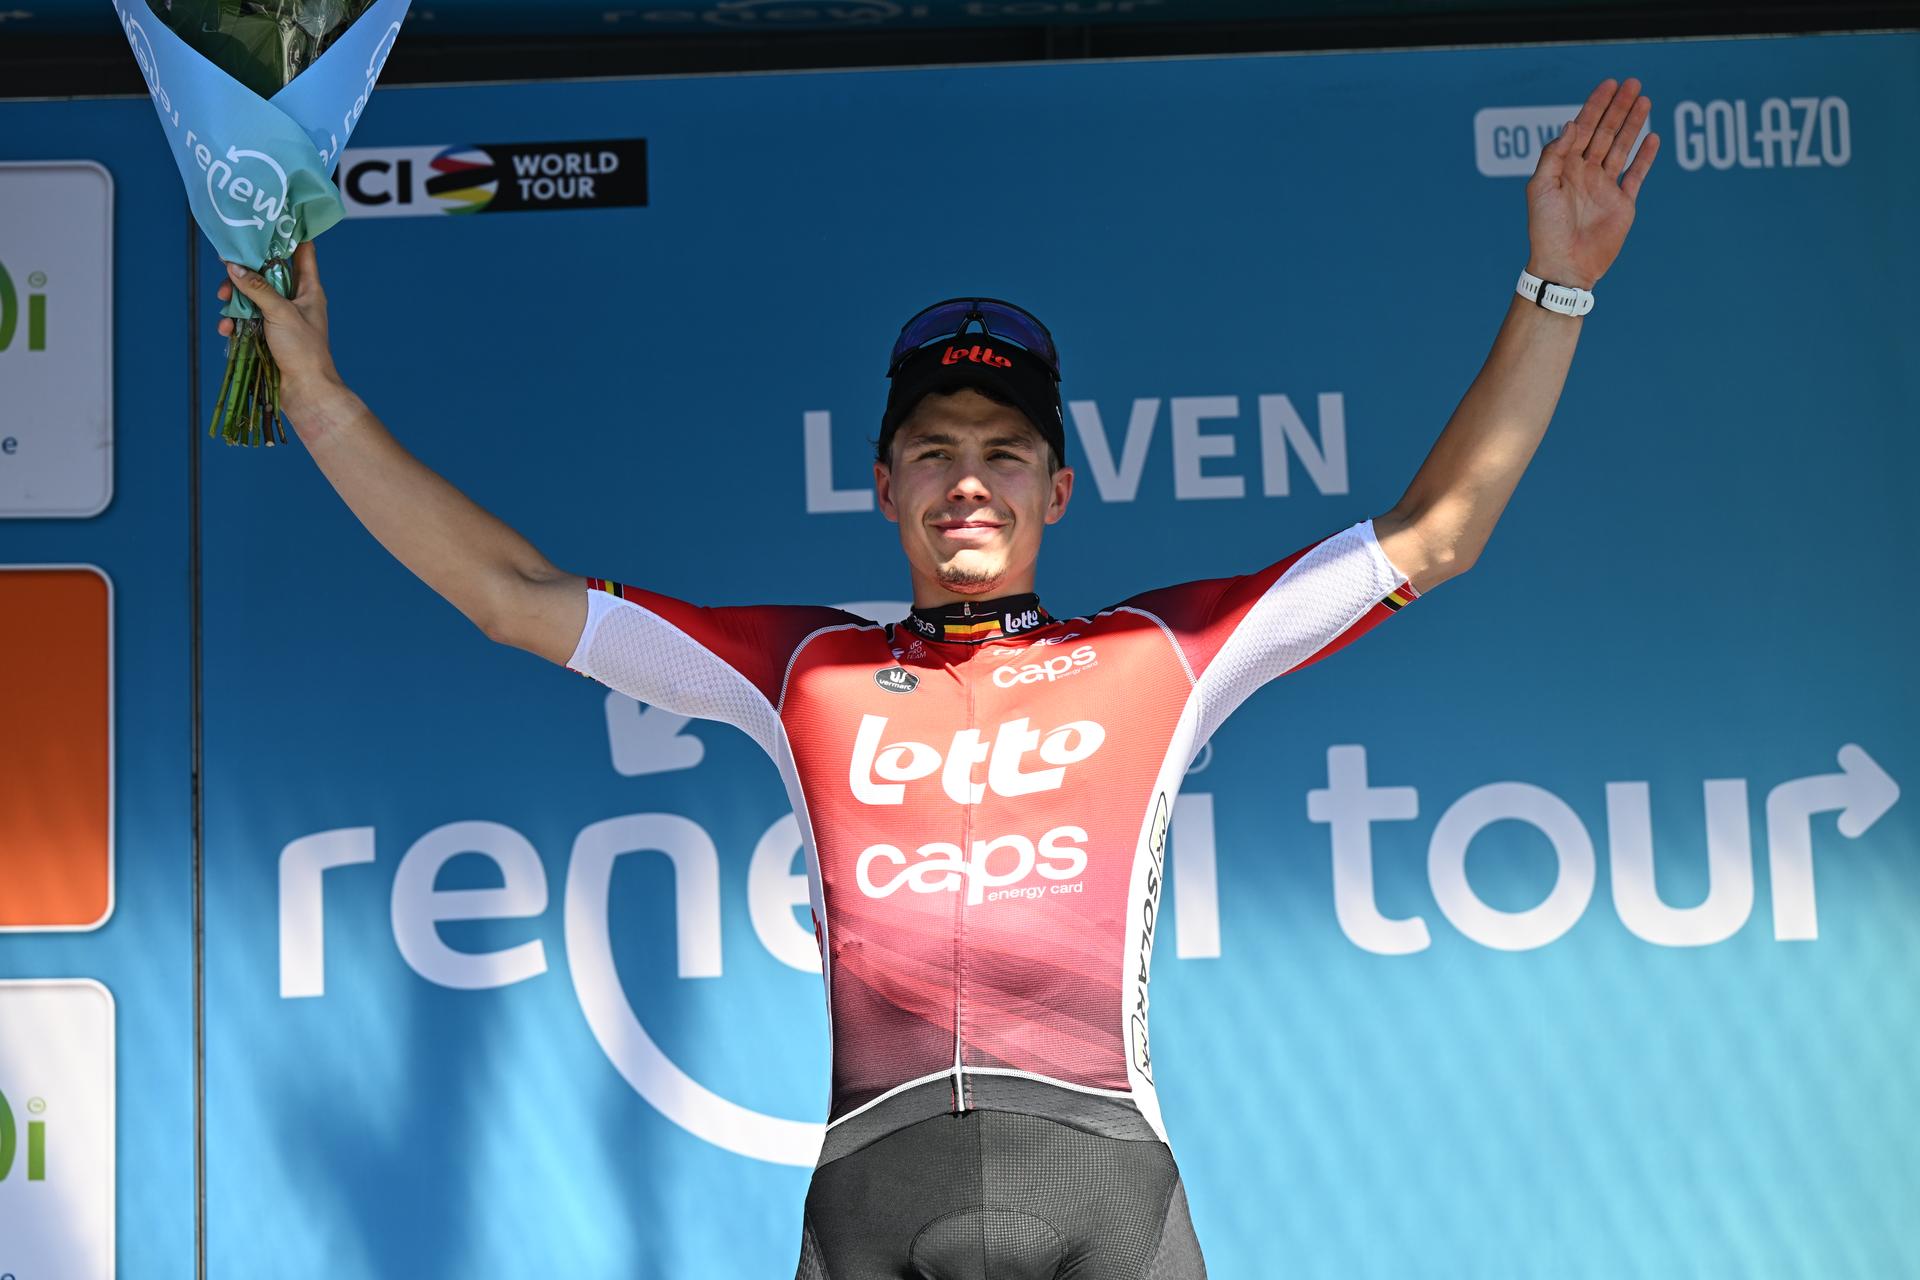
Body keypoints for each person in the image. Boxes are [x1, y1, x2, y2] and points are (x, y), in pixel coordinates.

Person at [220, 76, 1658, 1279]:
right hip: (873, 1188)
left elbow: (1438, 532)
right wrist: (323, 398)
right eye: (935, 450)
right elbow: (507, 596)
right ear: (884, 485)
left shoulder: (1161, 654)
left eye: (1005, 453)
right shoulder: (804, 669)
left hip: (1106, 1184)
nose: (969, 480)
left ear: (1058, 492)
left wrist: (1559, 287)